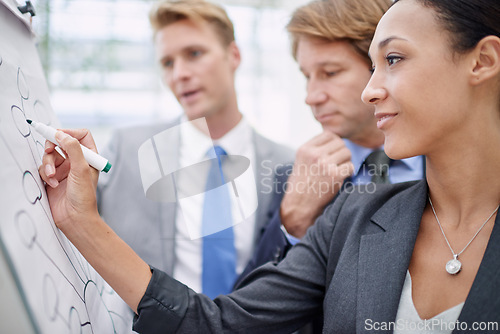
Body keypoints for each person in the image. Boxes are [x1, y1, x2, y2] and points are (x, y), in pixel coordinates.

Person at [40, 0, 500, 332]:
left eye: (393, 60)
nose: (369, 90)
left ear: (483, 61)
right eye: (166, 61)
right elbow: (226, 318)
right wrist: (79, 220)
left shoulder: (293, 164)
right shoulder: (348, 206)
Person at [95, 0, 293, 299]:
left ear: (234, 55)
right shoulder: (125, 151)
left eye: (194, 54)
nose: (180, 74)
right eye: (168, 63)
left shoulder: (286, 164)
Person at [235, 0, 424, 288]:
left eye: (330, 73)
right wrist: (291, 222)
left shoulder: (447, 160)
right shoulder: (293, 177)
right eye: (307, 76)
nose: (311, 96)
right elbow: (245, 308)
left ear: (382, 65)